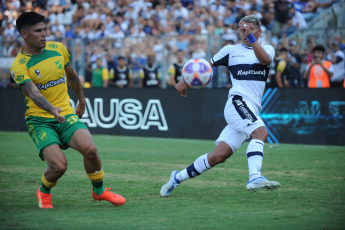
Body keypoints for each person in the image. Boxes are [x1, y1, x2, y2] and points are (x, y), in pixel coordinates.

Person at [10, 12, 125, 208]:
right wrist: (51, 109)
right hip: (40, 121)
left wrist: (81, 99)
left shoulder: (58, 49)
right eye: (38, 31)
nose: (44, 34)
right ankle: (44, 191)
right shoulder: (19, 65)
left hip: (65, 114)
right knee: (59, 166)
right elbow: (33, 93)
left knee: (90, 149)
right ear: (25, 34)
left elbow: (71, 75)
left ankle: (99, 191)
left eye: (45, 29)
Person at [160, 15, 280, 197]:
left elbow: (265, 61)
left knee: (219, 156)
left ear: (259, 32)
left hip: (250, 108)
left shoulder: (267, 49)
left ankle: (177, 177)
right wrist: (184, 80)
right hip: (237, 102)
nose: (244, 33)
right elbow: (203, 67)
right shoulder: (230, 50)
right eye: (242, 30)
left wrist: (253, 39)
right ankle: (255, 177)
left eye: (249, 30)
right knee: (261, 133)